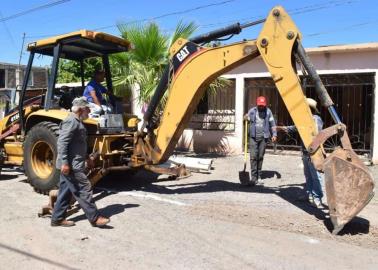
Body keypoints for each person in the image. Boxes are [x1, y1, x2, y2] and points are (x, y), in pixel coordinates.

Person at [51, 97, 110, 227]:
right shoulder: (71, 121)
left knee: (65, 192)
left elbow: (78, 145)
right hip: (72, 166)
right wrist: (65, 163)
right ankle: (95, 218)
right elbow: (62, 143)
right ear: (80, 110)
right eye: (87, 109)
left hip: (73, 163)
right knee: (84, 189)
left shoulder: (77, 122)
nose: (89, 111)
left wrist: (88, 158)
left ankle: (57, 218)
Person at [276, 98, 324, 208]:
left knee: (316, 176)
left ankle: (317, 198)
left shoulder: (316, 119)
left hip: (314, 152)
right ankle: (309, 194)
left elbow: (316, 134)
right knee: (308, 175)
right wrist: (283, 128)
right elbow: (295, 128)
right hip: (305, 151)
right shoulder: (303, 120)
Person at [244, 96, 277, 185]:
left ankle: (259, 176)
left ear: (265, 104)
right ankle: (253, 178)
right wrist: (245, 117)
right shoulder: (252, 111)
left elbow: (272, 123)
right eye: (260, 105)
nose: (261, 107)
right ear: (257, 104)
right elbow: (246, 119)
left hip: (263, 138)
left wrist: (274, 134)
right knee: (253, 157)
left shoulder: (268, 112)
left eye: (263, 105)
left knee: (260, 157)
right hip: (253, 137)